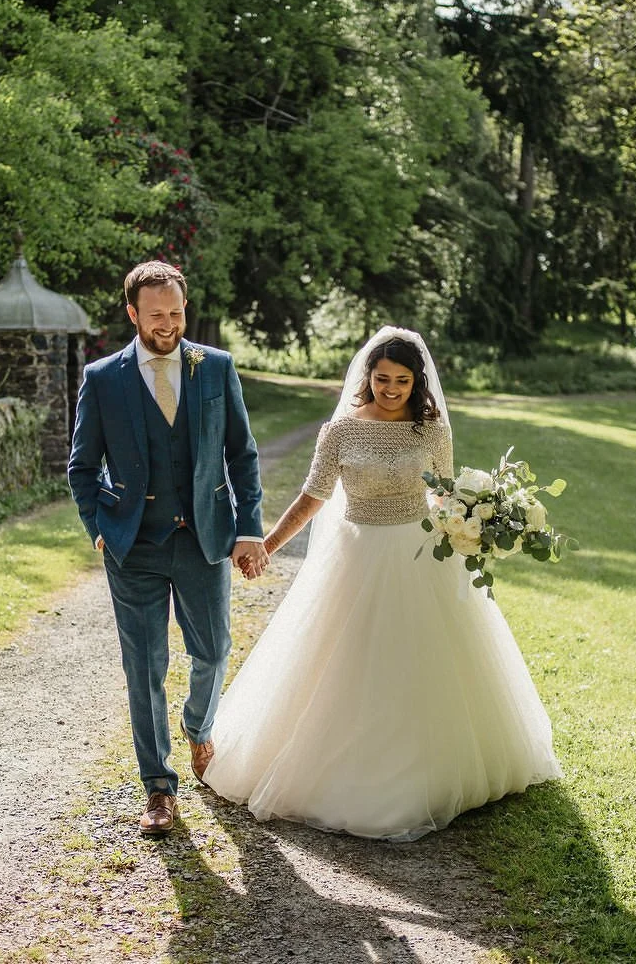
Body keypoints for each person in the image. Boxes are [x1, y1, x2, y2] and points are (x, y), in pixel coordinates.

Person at [202, 326, 562, 841]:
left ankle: (430, 772)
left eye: (402, 380)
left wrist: (476, 522)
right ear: (368, 377)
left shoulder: (431, 430)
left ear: (417, 382)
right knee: (348, 660)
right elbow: (312, 498)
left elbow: (444, 494)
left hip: (420, 554)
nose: (391, 389)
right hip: (357, 556)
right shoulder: (340, 432)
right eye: (382, 378)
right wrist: (268, 544)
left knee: (420, 661)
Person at [67, 261, 268, 838]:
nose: (168, 324)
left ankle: (198, 727)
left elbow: (242, 455)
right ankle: (159, 786)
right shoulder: (103, 378)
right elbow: (82, 466)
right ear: (133, 313)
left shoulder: (216, 366)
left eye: (176, 313)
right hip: (133, 546)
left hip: (204, 537)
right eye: (156, 315)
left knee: (214, 650)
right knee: (145, 667)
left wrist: (249, 528)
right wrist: (98, 526)